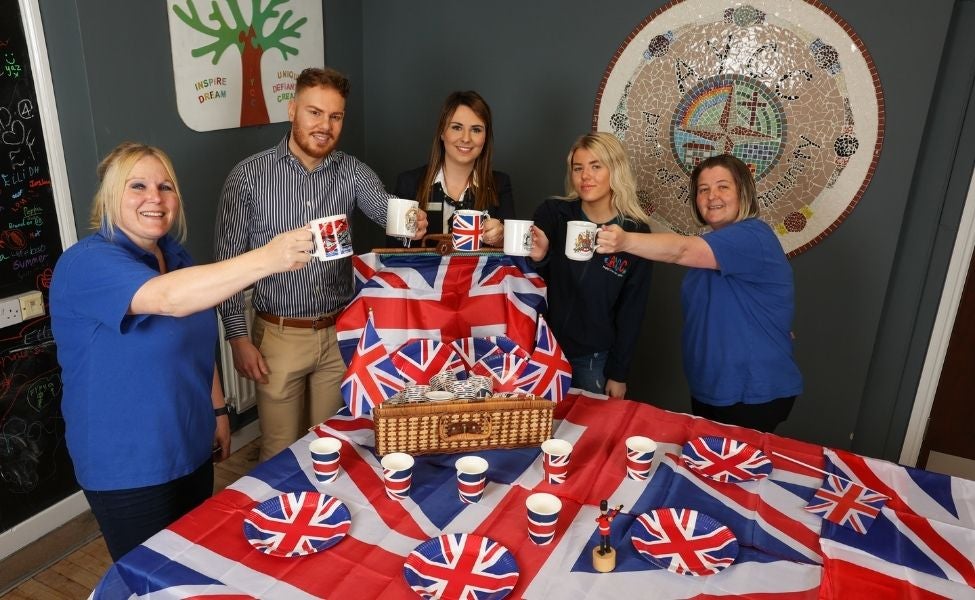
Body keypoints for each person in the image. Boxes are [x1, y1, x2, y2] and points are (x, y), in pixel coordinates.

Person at [50, 142, 313, 561]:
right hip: (128, 465)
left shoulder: (176, 256)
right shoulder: (86, 263)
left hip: (190, 444)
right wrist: (268, 257)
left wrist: (218, 409)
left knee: (194, 561)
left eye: (165, 187)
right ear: (110, 196)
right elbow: (168, 299)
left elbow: (197, 335)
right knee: (153, 576)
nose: (154, 197)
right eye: (137, 186)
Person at [215, 67, 427, 461]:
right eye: (315, 113)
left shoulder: (352, 172)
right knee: (279, 450)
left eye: (335, 116)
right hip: (279, 336)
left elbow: (389, 215)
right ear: (292, 110)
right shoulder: (248, 177)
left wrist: (413, 222)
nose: (324, 126)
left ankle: (323, 517)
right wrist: (238, 339)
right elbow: (227, 263)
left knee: (330, 444)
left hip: (336, 333)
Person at [595, 154, 802, 433]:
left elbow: (680, 249)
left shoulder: (752, 235)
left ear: (744, 192)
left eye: (722, 186)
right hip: (712, 388)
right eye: (703, 189)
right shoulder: (711, 246)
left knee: (729, 471)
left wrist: (624, 240)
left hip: (751, 391)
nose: (711, 196)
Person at [528, 132, 653, 398]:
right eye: (578, 168)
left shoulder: (634, 232)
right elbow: (528, 279)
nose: (585, 176)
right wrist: (539, 258)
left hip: (594, 359)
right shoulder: (553, 213)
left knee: (590, 431)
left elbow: (632, 309)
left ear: (615, 170)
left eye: (596, 166)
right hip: (543, 348)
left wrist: (619, 373)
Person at [391, 90, 514, 247]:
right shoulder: (408, 183)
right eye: (457, 127)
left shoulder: (500, 184)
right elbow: (391, 252)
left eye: (476, 129)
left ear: (486, 137)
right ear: (442, 132)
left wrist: (501, 237)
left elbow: (513, 254)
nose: (466, 138)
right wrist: (407, 236)